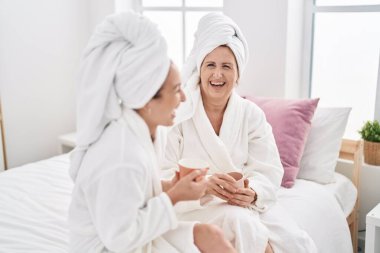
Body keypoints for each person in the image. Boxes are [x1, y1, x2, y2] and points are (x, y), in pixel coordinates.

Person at [68, 11, 236, 253]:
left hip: (134, 232)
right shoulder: (121, 155)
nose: (184, 97)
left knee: (211, 235)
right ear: (147, 100)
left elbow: (134, 193)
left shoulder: (142, 131)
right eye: (177, 89)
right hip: (112, 246)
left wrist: (171, 186)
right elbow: (120, 238)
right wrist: (175, 196)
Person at [161, 13, 318, 253]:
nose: (217, 74)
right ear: (199, 69)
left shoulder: (250, 114)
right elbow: (162, 173)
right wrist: (203, 185)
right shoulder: (179, 112)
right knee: (242, 224)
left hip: (242, 204)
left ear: (238, 73)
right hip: (192, 205)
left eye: (227, 66)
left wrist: (252, 192)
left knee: (295, 242)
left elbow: (268, 169)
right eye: (210, 65)